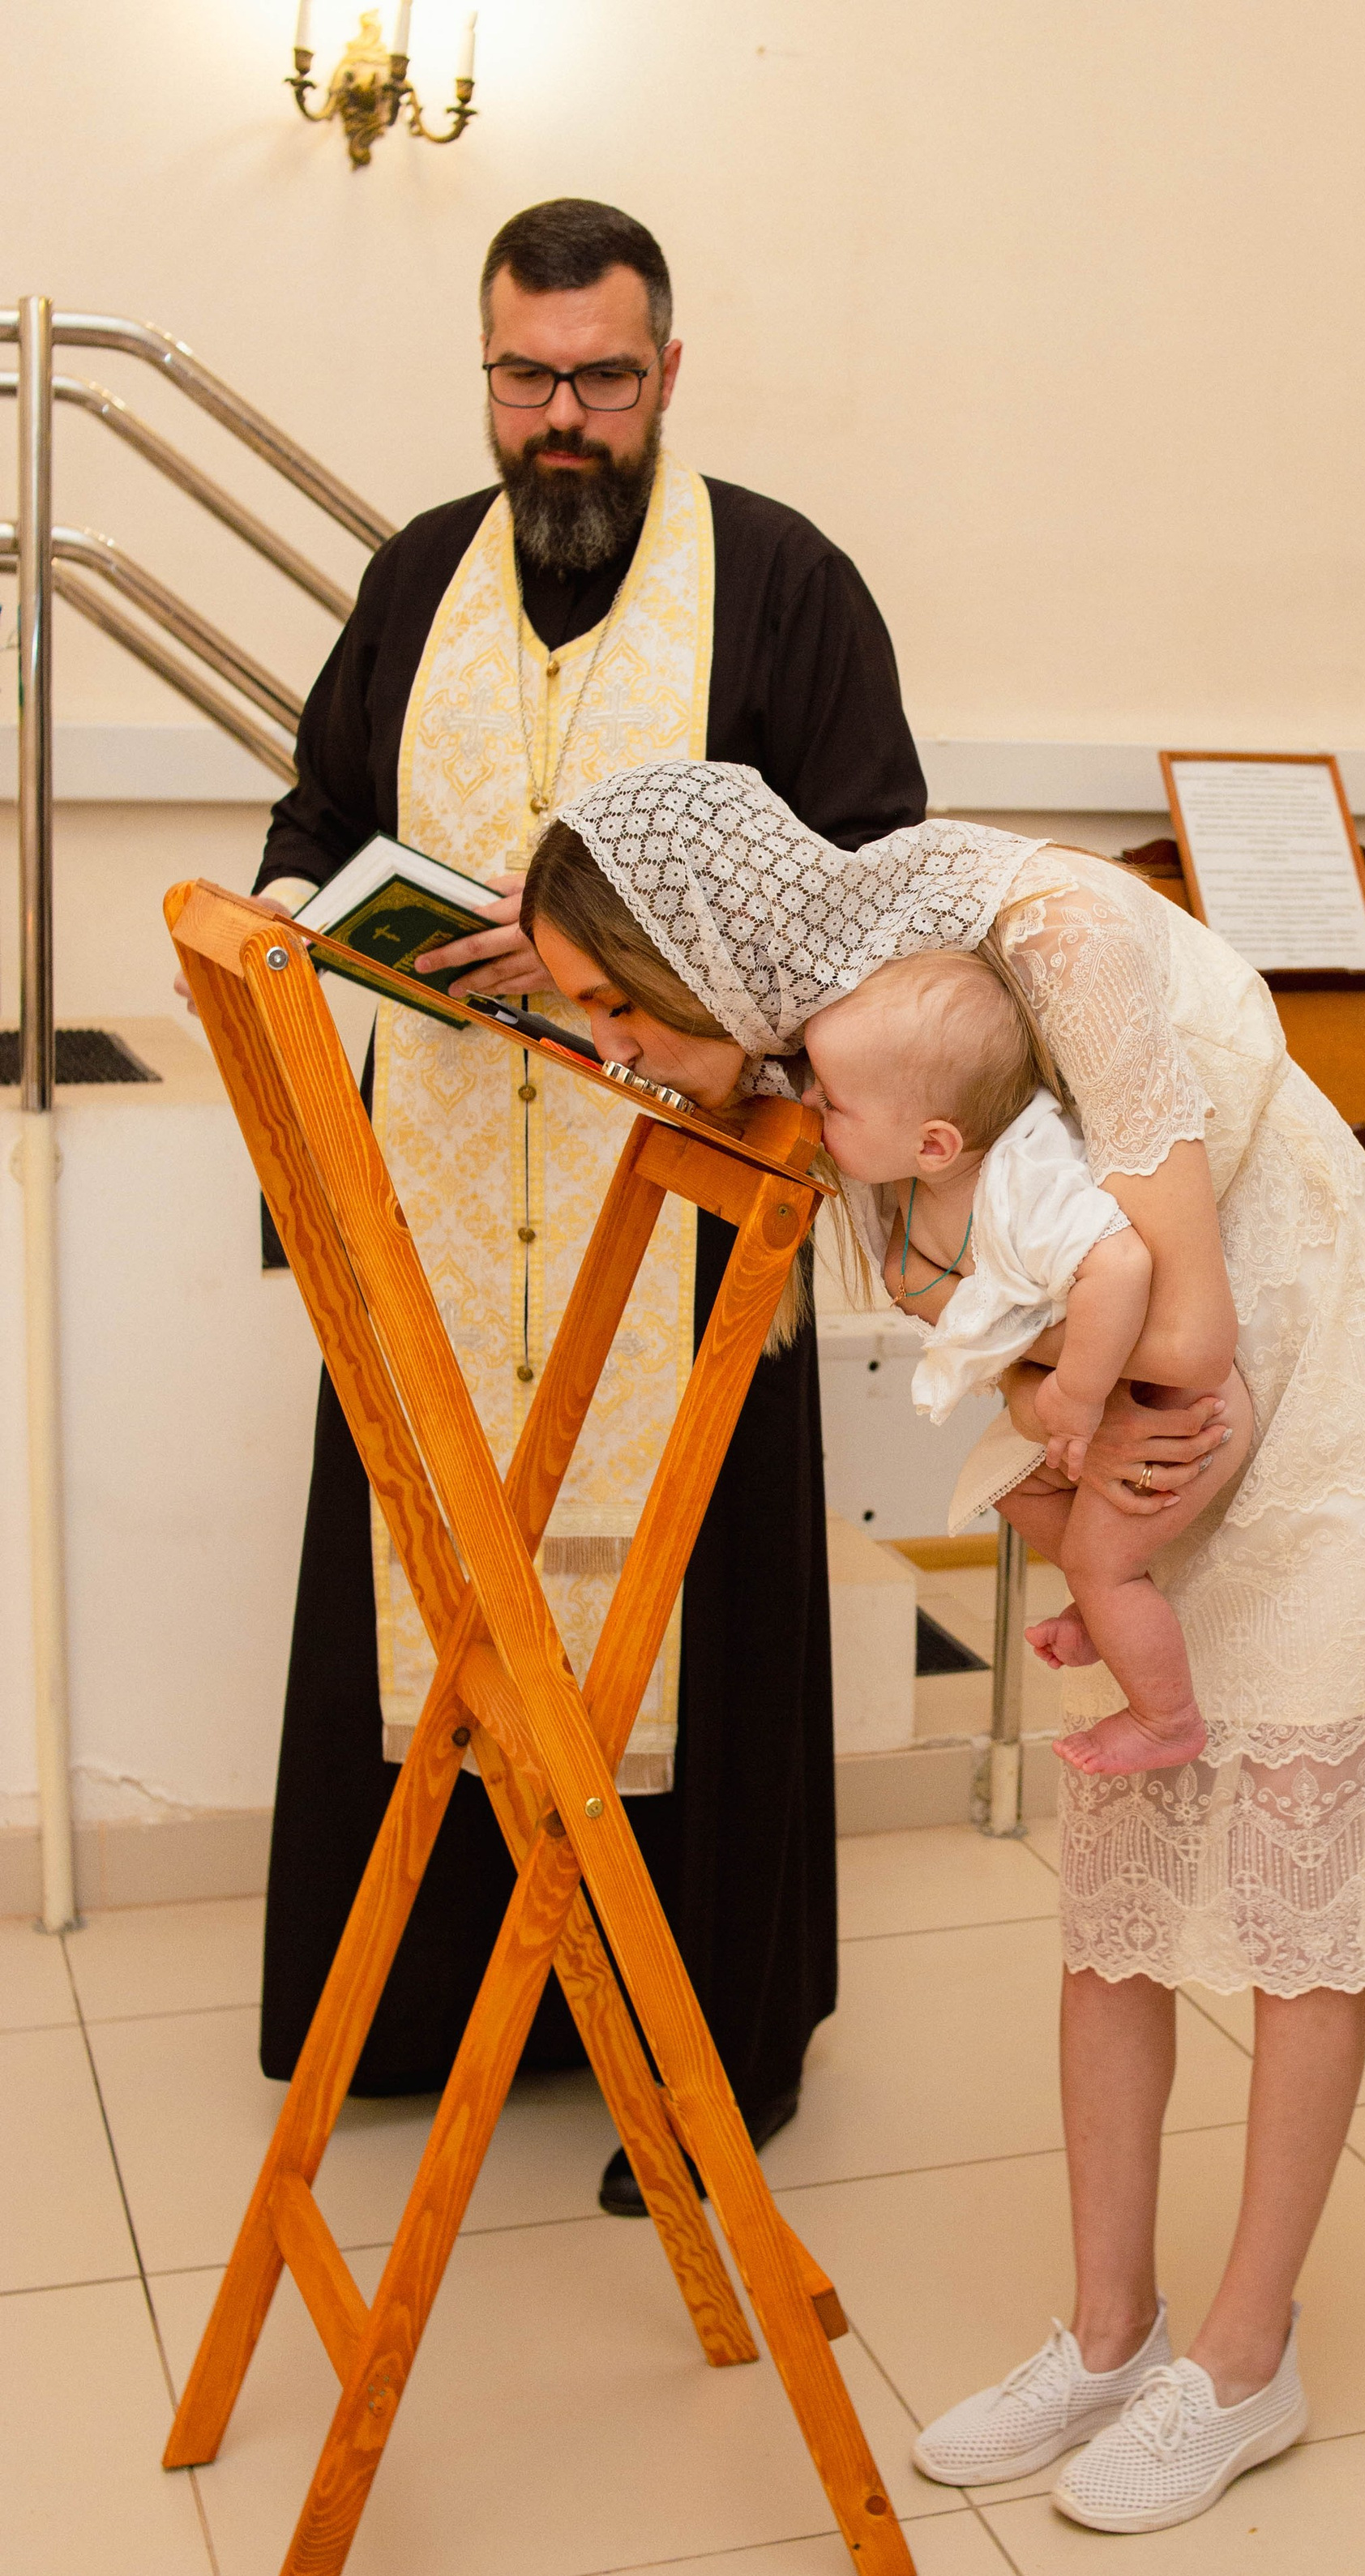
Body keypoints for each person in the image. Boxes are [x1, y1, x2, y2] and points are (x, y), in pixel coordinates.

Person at [520, 757, 1365, 2533]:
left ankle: (1244, 2356)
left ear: (696, 952)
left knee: (1293, 1910)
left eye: (615, 1005)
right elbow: (962, 1319)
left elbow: (1187, 1328)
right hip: (1140, 1447)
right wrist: (1045, 1402)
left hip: (1313, 1413)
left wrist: (1047, 1393)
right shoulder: (833, 1033)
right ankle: (1107, 2329)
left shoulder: (1040, 938)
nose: (608, 1043)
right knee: (1117, 1903)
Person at [248, 199, 926, 2211]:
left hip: (680, 1232)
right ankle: (438, 2005)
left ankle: (699, 2046)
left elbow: (873, 893)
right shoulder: (412, 579)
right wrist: (301, 920)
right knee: (436, 1595)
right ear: (485, 371)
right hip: (440, 1223)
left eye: (601, 379)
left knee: (686, 1630)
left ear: (666, 372)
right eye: (526, 377)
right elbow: (316, 813)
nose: (561, 417)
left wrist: (616, 968)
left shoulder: (783, 588)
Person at [798, 949, 1254, 1774]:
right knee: (1013, 1488)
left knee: (1101, 1561)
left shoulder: (1026, 1180)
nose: (809, 1106)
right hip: (1111, 1385)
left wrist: (1076, 1394)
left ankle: (1165, 1717)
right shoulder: (917, 1178)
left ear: (934, 1142)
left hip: (1178, 1402)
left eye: (831, 1101)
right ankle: (1103, 1601)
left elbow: (1120, 1264)